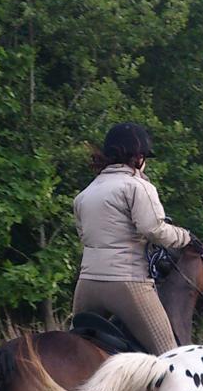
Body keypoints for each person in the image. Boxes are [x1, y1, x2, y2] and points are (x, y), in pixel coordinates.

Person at [72, 121, 192, 354]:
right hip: (127, 282)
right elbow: (154, 230)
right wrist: (184, 237)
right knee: (169, 357)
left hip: (87, 283)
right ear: (137, 157)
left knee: (73, 349)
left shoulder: (85, 194)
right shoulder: (138, 186)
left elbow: (84, 236)